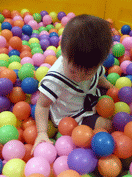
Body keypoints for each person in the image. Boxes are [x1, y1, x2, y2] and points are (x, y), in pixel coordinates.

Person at [32, 14, 114, 152]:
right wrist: (42, 133)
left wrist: (108, 85)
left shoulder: (93, 63)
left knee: (111, 103)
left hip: (88, 99)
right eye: (73, 71)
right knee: (105, 126)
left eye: (88, 73)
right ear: (63, 53)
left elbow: (99, 76)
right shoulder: (55, 80)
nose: (80, 77)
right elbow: (42, 105)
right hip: (72, 116)